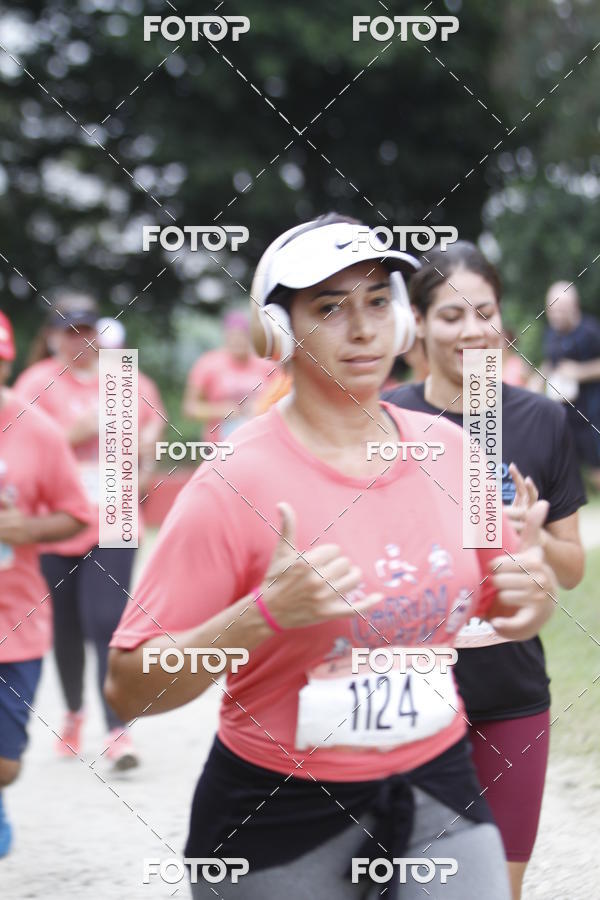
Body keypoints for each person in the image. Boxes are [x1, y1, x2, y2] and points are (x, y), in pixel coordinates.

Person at [105, 215, 556, 899]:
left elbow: (503, 596)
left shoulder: (456, 451)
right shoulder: (233, 481)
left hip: (437, 780)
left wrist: (533, 596)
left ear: (402, 319)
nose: (363, 327)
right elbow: (130, 686)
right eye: (329, 308)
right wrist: (260, 615)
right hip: (278, 807)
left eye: (378, 301)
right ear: (277, 331)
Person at [384, 242, 586, 900]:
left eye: (486, 312)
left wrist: (535, 541)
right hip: (408, 694)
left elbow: (573, 565)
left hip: (511, 693)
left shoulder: (543, 418)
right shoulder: (385, 419)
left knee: (497, 891)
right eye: (450, 315)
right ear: (416, 323)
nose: (473, 330)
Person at [14, 295, 166, 769]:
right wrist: (72, 433)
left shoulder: (124, 376)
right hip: (57, 518)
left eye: (86, 330)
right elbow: (19, 445)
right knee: (66, 627)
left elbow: (153, 427)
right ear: (53, 337)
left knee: (108, 622)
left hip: (115, 514)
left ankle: (118, 729)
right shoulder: (36, 382)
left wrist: (146, 457)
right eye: (69, 331)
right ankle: (76, 711)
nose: (80, 340)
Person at [0, 310, 90, 856]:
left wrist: (26, 527)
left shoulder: (35, 430)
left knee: (5, 765)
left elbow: (78, 515)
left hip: (15, 624)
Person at [533, 282, 600, 490]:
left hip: (592, 413)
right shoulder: (551, 334)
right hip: (562, 412)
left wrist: (579, 371)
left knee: (596, 470)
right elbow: (551, 362)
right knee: (561, 469)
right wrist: (538, 378)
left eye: (561, 310)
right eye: (551, 310)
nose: (556, 316)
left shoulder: (591, 331)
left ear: (575, 307)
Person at [183, 309, 277, 439]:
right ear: (225, 336)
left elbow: (284, 402)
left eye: (242, 335)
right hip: (219, 447)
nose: (238, 340)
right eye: (233, 336)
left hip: (260, 441)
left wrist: (262, 406)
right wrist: (221, 410)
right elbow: (190, 409)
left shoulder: (267, 365)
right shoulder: (208, 364)